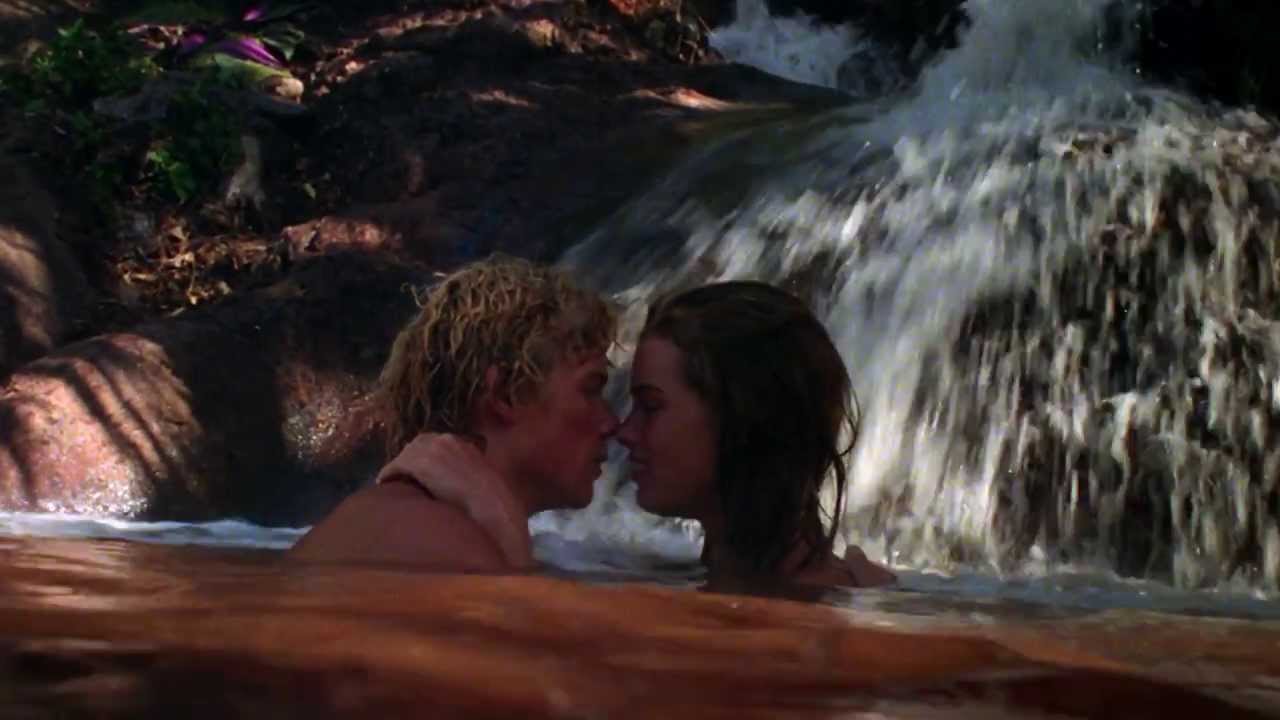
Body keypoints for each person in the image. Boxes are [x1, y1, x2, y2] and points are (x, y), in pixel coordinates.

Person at [391, 280, 895, 587]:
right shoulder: (699, 579)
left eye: (651, 407)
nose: (623, 430)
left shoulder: (811, 612)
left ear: (746, 417)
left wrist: (504, 536)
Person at [288, 256, 618, 570]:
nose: (611, 423)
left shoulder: (408, 520)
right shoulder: (437, 540)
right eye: (591, 389)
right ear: (505, 394)